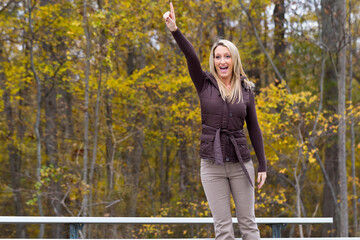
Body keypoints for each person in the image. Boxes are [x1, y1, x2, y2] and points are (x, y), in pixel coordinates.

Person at [163, 2, 267, 240]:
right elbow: (191, 57)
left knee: (249, 226)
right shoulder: (204, 84)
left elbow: (254, 128)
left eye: (227, 56)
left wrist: (262, 164)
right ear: (214, 60)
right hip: (212, 165)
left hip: (241, 164)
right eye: (218, 56)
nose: (222, 61)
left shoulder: (246, 89)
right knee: (223, 229)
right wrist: (174, 30)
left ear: (234, 59)